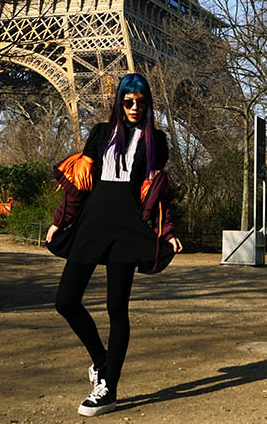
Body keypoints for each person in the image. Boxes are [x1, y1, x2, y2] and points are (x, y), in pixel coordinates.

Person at [46, 73, 183, 416]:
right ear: (119, 102)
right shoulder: (101, 133)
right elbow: (79, 183)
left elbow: (156, 192)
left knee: (116, 309)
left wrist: (166, 231)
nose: (135, 107)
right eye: (128, 101)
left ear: (148, 103)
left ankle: (109, 387)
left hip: (126, 228)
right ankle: (102, 361)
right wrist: (59, 221)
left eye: (141, 101)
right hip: (92, 224)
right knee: (65, 300)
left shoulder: (157, 141)